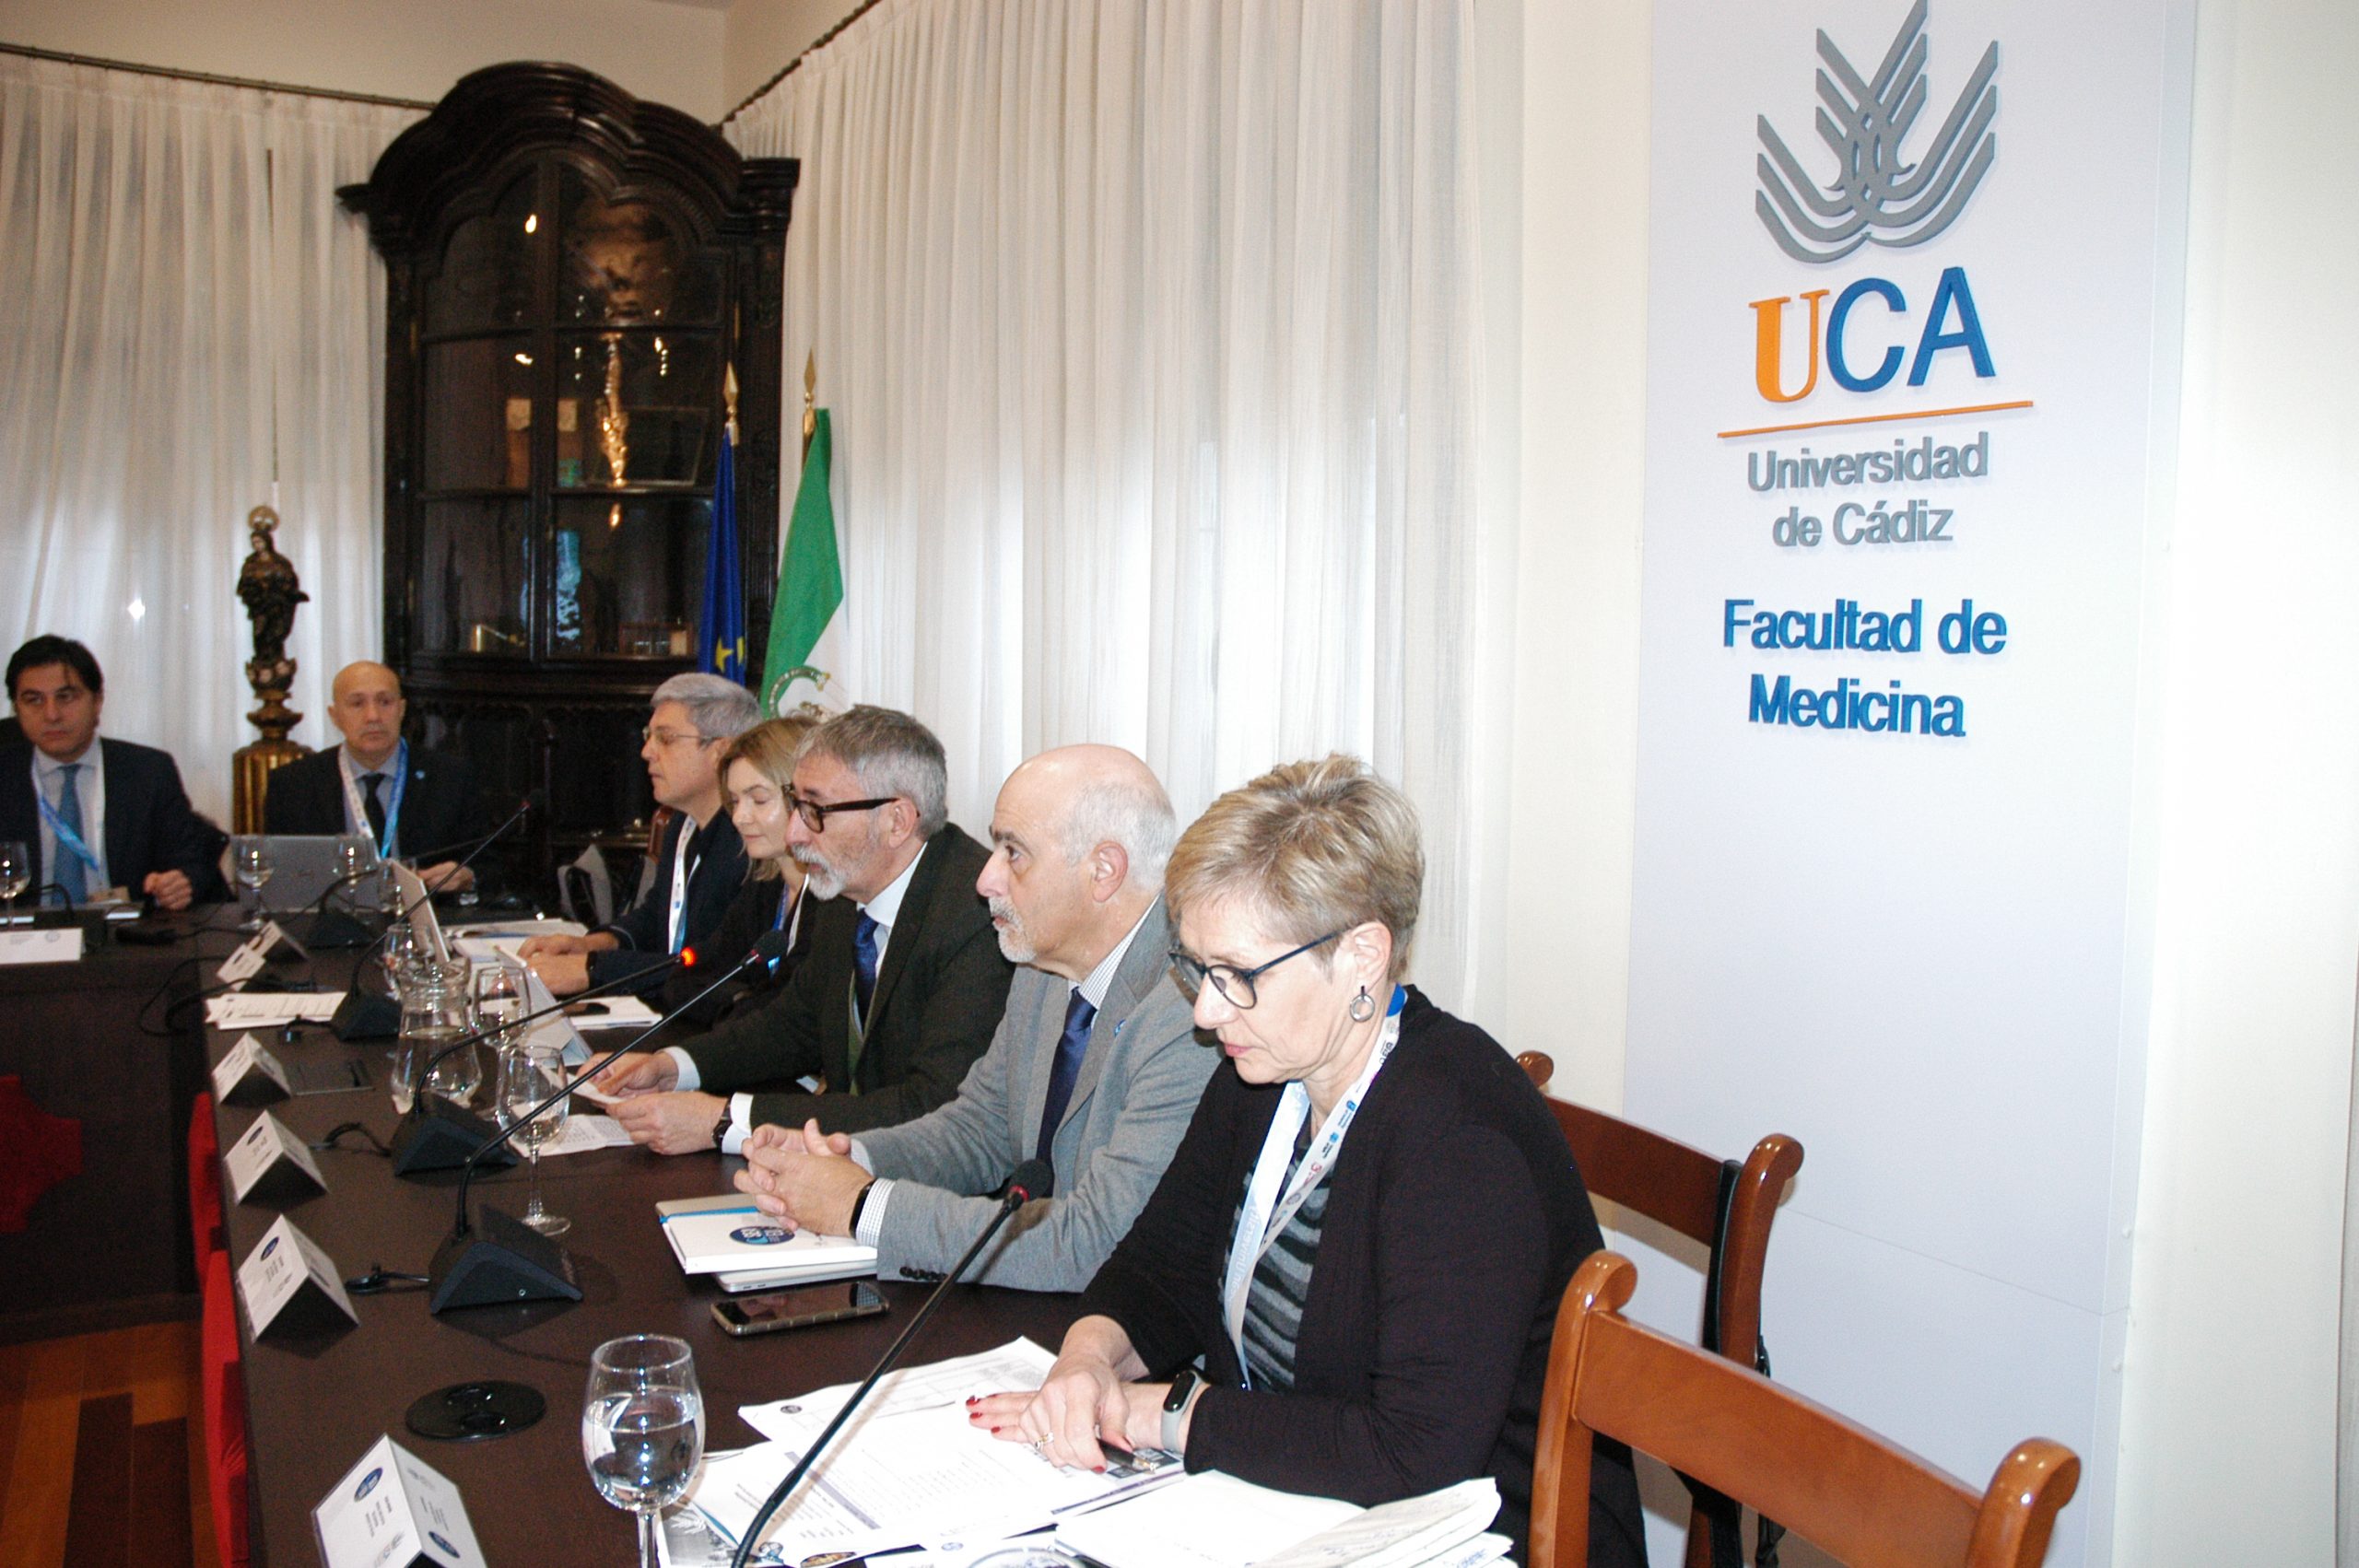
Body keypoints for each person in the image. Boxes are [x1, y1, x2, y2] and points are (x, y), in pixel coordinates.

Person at [969, 755, 1647, 1566]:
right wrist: (1088, 1360)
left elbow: (1414, 1452)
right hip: (1285, 1504)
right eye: (1196, 968)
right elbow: (1161, 1270)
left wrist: (1162, 1414)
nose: (1207, 1010)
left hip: (1476, 1538)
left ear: (1362, 956)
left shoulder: (1459, 1140)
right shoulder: (1263, 1069)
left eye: (1236, 975)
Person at [733, 744, 1217, 1289]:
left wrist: (861, 1205)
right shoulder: (1042, 966)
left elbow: (1095, 1242)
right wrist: (848, 1158)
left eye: (1014, 852)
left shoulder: (1189, 1011)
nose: (986, 878)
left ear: (1103, 870)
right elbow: (980, 1129)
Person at [593, 705, 1014, 1153]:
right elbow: (794, 1025)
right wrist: (674, 1067)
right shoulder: (846, 886)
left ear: (897, 821)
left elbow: (932, 1106)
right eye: (795, 805)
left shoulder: (975, 915)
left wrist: (727, 1119)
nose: (795, 834)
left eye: (814, 810)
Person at [520, 673, 757, 999]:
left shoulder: (751, 841)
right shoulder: (682, 823)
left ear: (722, 750)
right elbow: (659, 917)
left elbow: (713, 966)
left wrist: (594, 969)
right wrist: (593, 944)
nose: (646, 751)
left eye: (666, 739)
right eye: (649, 736)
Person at [0, 636, 226, 910]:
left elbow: (192, 860)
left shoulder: (149, 771)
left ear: (97, 701)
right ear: (16, 708)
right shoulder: (5, 774)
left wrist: (180, 882)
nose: (51, 714)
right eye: (33, 700)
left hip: (125, 930)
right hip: (20, 932)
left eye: (65, 697)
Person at [261, 661, 493, 892]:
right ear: (335, 716)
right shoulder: (293, 785)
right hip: (331, 913)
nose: (373, 716)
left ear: (401, 709)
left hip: (426, 911)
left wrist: (468, 876)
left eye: (385, 702)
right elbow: (278, 877)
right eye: (357, 703)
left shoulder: (452, 777)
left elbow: (490, 863)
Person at [657, 710, 827, 1025]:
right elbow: (683, 981)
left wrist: (741, 1004)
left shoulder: (833, 900)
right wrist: (740, 1001)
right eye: (734, 802)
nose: (739, 818)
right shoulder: (765, 888)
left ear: (805, 799)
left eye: (758, 800)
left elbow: (792, 1014)